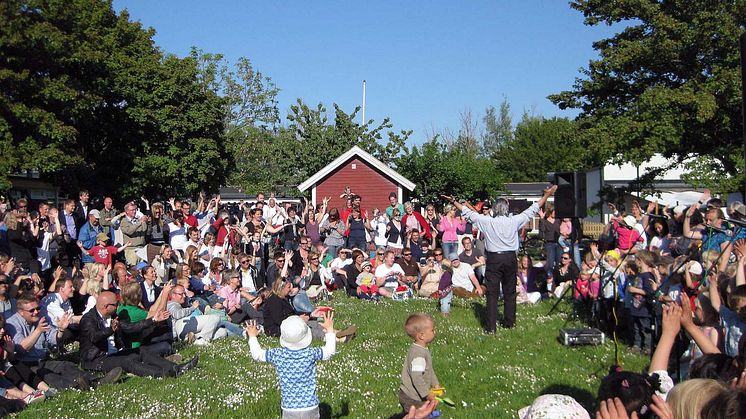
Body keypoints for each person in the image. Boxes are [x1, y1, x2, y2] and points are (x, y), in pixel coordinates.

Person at [444, 184, 556, 331]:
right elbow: (533, 209)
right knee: (510, 291)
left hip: (494, 259)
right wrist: (547, 195)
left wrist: (453, 202)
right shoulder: (514, 221)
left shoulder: (487, 221)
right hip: (510, 258)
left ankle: (491, 327)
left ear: (495, 209)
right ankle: (510, 323)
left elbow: (467, 213)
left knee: (492, 293)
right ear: (506, 209)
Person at [78, 291, 197, 378]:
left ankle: (176, 368)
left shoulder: (112, 316)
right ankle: (165, 374)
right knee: (127, 362)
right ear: (106, 307)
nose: (118, 306)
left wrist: (153, 320)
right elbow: (94, 337)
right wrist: (110, 330)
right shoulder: (88, 319)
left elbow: (131, 327)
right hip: (96, 360)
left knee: (142, 351)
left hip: (114, 353)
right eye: (115, 304)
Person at [245, 312, 336, 419]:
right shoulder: (310, 353)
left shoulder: (278, 354)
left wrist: (252, 337)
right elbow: (330, 351)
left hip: (289, 407)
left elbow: (258, 355)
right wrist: (330, 330)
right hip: (310, 406)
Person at [399, 313, 440, 413]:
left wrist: (435, 383)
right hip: (412, 397)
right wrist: (427, 394)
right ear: (421, 335)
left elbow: (429, 369)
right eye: (432, 330)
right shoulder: (418, 354)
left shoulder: (421, 349)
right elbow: (416, 377)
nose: (435, 332)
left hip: (415, 395)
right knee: (417, 415)